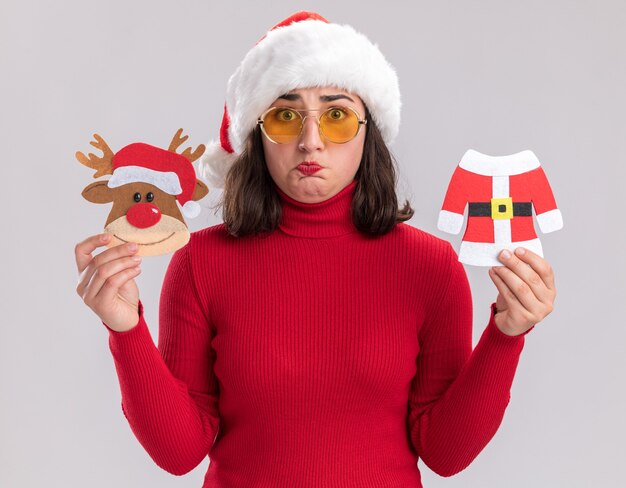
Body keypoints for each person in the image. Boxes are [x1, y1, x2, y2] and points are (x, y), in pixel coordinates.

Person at [74, 11, 556, 487]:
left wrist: (506, 335)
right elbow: (179, 454)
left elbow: (445, 453)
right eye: (285, 116)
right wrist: (126, 329)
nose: (310, 142)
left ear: (368, 131)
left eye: (337, 116)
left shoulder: (431, 267)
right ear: (256, 135)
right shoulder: (200, 264)